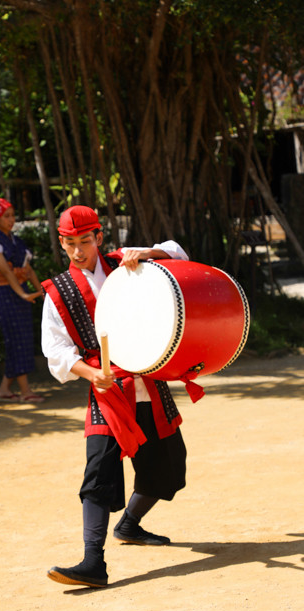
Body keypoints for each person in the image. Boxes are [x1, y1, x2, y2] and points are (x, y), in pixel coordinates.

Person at [41, 205, 189, 587]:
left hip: (148, 382)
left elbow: (178, 253)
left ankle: (130, 525)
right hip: (107, 391)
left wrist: (149, 254)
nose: (78, 251)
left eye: (85, 242)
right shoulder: (58, 291)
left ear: (99, 237)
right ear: (61, 242)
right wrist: (91, 374)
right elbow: (57, 351)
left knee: (170, 467)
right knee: (99, 472)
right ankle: (93, 562)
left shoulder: (127, 263)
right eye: (70, 243)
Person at [0, 197, 45, 403]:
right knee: (16, 340)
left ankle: (4, 390)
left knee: (22, 339)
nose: (11, 220)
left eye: (12, 215)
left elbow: (29, 270)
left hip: (20, 293)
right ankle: (25, 392)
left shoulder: (17, 242)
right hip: (6, 295)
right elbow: (6, 272)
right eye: (6, 216)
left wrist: (42, 291)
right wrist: (23, 294)